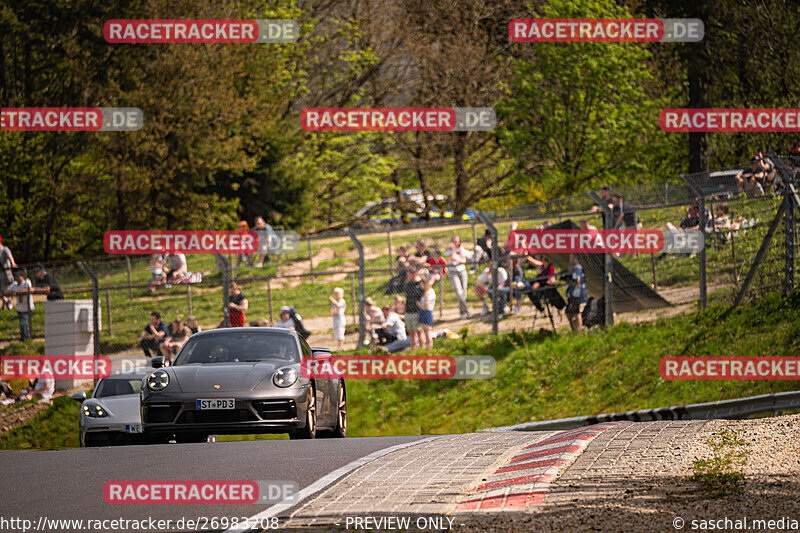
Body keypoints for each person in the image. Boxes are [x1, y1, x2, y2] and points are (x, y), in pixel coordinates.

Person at [444, 236, 469, 319]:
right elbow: (451, 258)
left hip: (462, 271)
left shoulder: (461, 249)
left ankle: (463, 312)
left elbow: (463, 260)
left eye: (457, 241)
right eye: (454, 241)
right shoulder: (448, 250)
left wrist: (457, 258)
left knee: (464, 292)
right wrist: (452, 250)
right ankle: (466, 311)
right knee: (459, 292)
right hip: (453, 272)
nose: (455, 243)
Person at [5, 270, 34, 342]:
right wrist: (12, 292)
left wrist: (16, 292)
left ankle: (24, 338)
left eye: (18, 276)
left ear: (22, 277)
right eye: (15, 276)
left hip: (28, 307)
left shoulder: (26, 282)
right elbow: (6, 291)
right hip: (19, 308)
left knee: (23, 323)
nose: (16, 278)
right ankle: (24, 337)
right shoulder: (14, 284)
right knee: (22, 324)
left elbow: (28, 289)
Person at [565, 254, 588, 333]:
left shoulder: (576, 269)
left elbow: (576, 282)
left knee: (574, 313)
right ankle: (576, 330)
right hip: (577, 294)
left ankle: (578, 330)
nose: (570, 259)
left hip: (575, 294)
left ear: (576, 258)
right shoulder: (580, 268)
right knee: (571, 313)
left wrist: (569, 281)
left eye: (571, 257)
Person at [417, 270, 439, 350]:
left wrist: (419, 305)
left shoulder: (430, 292)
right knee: (422, 332)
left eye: (422, 284)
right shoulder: (424, 292)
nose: (420, 286)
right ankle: (422, 348)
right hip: (422, 312)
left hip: (427, 312)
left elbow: (426, 305)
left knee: (428, 332)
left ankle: (430, 348)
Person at [402, 269, 423, 350]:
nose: (408, 276)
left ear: (413, 274)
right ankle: (413, 350)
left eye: (409, 274)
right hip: (408, 311)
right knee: (411, 333)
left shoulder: (420, 283)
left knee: (419, 332)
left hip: (417, 311)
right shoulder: (408, 284)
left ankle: (422, 349)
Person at [0, 237, 17, 311]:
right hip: (1, 274)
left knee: (7, 289)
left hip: (6, 273)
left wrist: (13, 263)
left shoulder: (4, 249)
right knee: (2, 291)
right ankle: (6, 303)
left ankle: (7, 303)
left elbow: (10, 257)